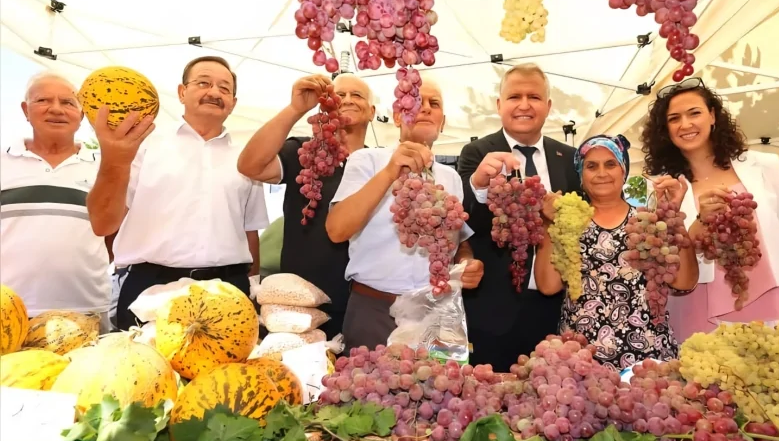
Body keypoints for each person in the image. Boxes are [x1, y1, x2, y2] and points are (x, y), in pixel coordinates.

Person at [87, 56, 269, 330]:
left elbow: (249, 230)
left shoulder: (248, 157)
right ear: (182, 92)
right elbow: (104, 222)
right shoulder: (142, 143)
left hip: (228, 289)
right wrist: (114, 160)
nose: (214, 92)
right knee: (143, 370)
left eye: (224, 88)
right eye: (203, 82)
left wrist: (252, 285)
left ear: (233, 102)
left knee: (225, 373)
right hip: (151, 287)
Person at [640, 77, 779, 341]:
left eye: (694, 113)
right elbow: (669, 258)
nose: (685, 124)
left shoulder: (765, 165)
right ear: (665, 130)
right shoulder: (665, 185)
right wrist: (700, 220)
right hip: (699, 303)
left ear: (713, 116)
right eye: (674, 118)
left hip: (770, 295)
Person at [325, 78, 484, 350]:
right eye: (416, 102)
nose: (425, 109)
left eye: (434, 104)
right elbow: (337, 230)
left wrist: (467, 262)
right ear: (398, 116)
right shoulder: (367, 161)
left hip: (435, 311)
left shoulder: (452, 177)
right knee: (365, 390)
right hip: (373, 310)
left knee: (439, 390)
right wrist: (389, 172)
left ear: (442, 122)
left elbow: (459, 242)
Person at [534, 135, 697, 372]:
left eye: (610, 164)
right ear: (581, 176)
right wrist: (549, 224)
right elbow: (548, 286)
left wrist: (672, 215)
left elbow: (685, 282)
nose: (602, 173)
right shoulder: (568, 222)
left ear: (624, 172)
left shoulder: (649, 221)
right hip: (581, 359)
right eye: (592, 166)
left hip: (646, 357)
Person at [457, 63, 581, 372]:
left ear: (548, 106)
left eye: (534, 97)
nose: (524, 105)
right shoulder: (477, 152)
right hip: (492, 308)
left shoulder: (569, 157)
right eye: (514, 97)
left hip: (555, 306)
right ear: (499, 105)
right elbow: (464, 219)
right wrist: (480, 186)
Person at [237, 73, 373, 340]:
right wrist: (296, 109)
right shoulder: (305, 153)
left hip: (363, 302)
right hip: (301, 301)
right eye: (340, 94)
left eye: (357, 95)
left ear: (372, 112)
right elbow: (250, 165)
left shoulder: (379, 165)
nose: (347, 99)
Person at [0, 72, 113, 330]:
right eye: (43, 100)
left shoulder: (105, 167)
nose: (56, 109)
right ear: (25, 110)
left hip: (86, 309)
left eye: (68, 102)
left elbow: (112, 235)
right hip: (8, 313)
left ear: (82, 114)